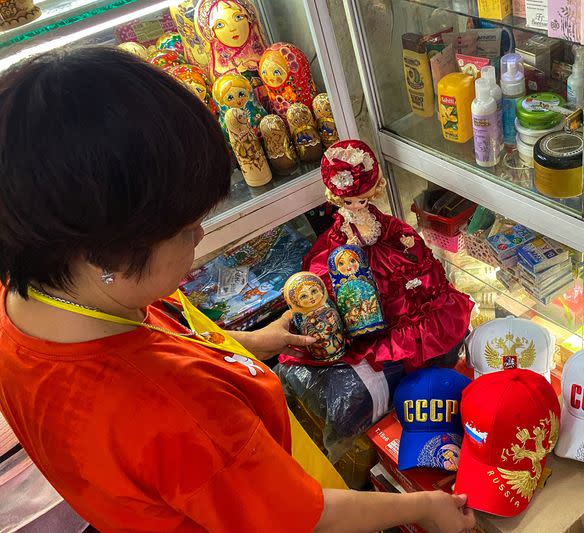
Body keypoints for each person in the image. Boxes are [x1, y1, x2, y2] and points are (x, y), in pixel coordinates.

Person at [0, 47, 475, 533]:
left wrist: (247, 343)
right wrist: (423, 508)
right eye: (186, 229)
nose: (201, 236)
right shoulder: (176, 412)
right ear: (106, 253)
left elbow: (160, 342)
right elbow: (302, 518)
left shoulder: (39, 300)